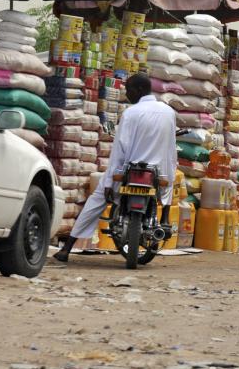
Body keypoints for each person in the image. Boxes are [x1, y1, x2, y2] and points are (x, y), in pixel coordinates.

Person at [53, 73, 177, 263]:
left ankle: (67, 248)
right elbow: (170, 151)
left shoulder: (131, 113)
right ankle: (165, 220)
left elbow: (119, 151)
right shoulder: (168, 112)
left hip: (129, 172)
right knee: (168, 181)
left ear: (138, 90)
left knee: (96, 199)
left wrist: (111, 181)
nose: (127, 95)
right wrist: (167, 184)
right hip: (157, 173)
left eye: (128, 90)